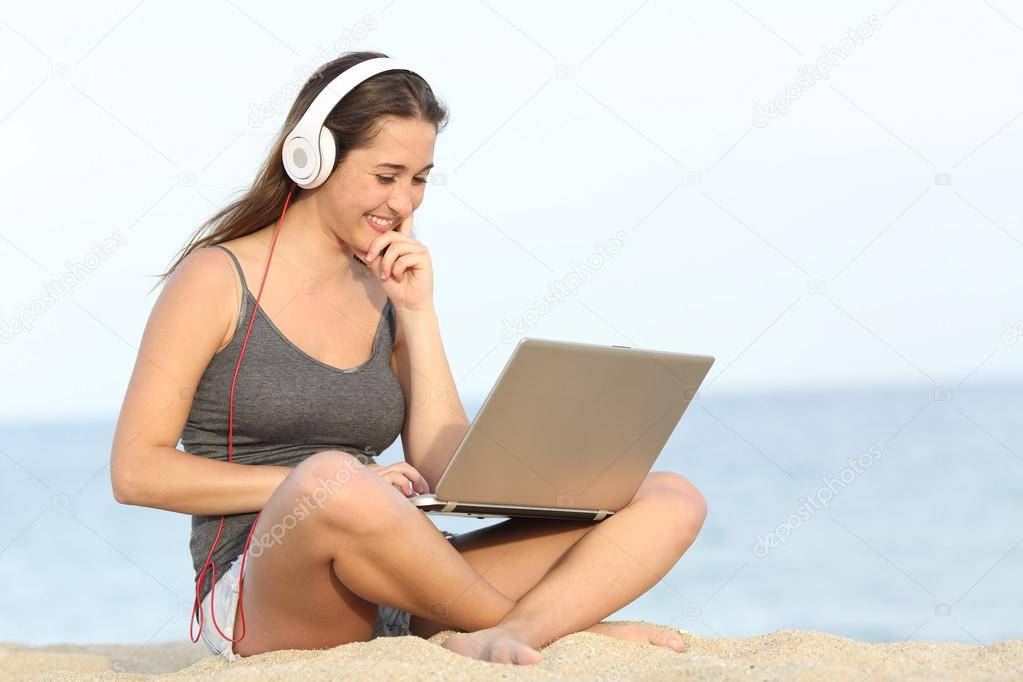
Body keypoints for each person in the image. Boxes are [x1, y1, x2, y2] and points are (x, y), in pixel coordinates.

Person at [110, 50, 708, 666]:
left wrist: (419, 313)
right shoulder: (213, 279)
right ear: (311, 158)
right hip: (258, 591)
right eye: (386, 175)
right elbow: (136, 472)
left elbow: (443, 469)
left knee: (669, 496)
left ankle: (512, 630)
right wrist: (335, 483)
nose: (405, 204)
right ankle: (543, 628)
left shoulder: (388, 286)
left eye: (419, 178)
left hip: (403, 574)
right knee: (330, 476)